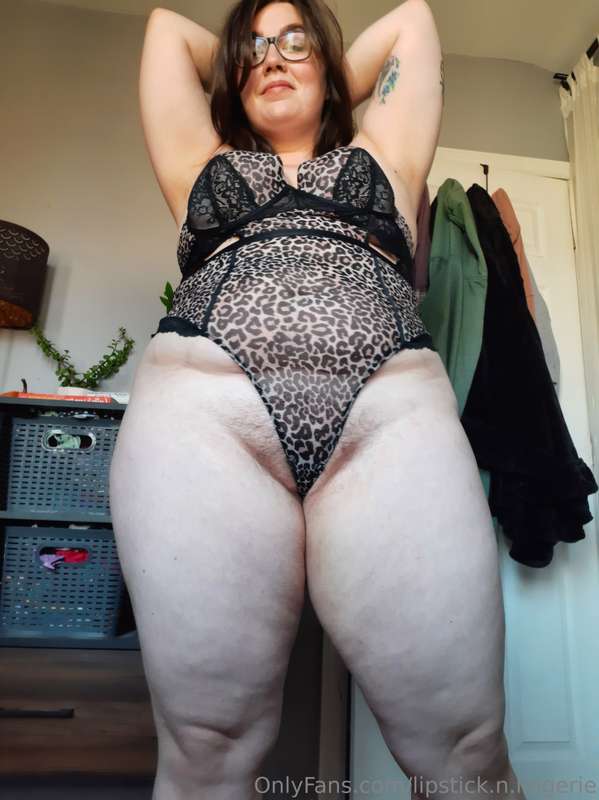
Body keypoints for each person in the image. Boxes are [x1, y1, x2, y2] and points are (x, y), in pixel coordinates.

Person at [109, 1, 526, 798]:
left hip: (388, 419)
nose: (272, 57)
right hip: (204, 422)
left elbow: (412, 22)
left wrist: (313, 67)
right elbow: (165, 29)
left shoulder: (386, 152)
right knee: (206, 747)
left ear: (330, 69)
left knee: (465, 749)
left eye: (293, 41)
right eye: (253, 48)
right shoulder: (198, 159)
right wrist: (266, 56)